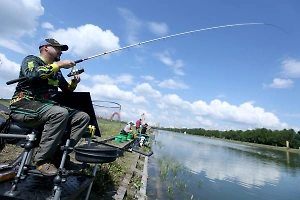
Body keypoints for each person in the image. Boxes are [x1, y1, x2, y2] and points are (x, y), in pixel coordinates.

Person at [9, 38, 90, 176]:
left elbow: (67, 91)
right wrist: (59, 65)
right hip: (23, 103)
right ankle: (42, 161)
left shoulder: (57, 71)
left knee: (82, 117)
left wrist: (74, 83)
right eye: (58, 48)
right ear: (46, 47)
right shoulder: (31, 60)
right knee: (60, 113)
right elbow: (33, 75)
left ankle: (59, 157)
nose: (60, 52)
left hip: (46, 107)